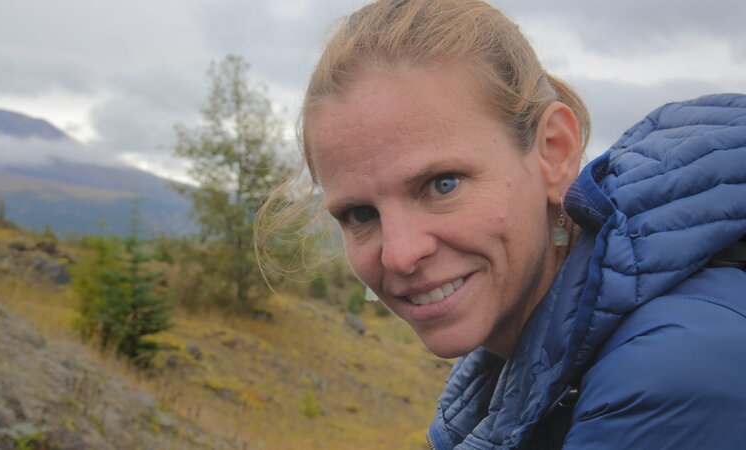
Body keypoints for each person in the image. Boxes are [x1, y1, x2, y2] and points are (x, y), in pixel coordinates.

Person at [256, 0, 746, 448]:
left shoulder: (664, 381)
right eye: (361, 215)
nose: (400, 255)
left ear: (554, 152)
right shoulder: (530, 361)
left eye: (442, 184)